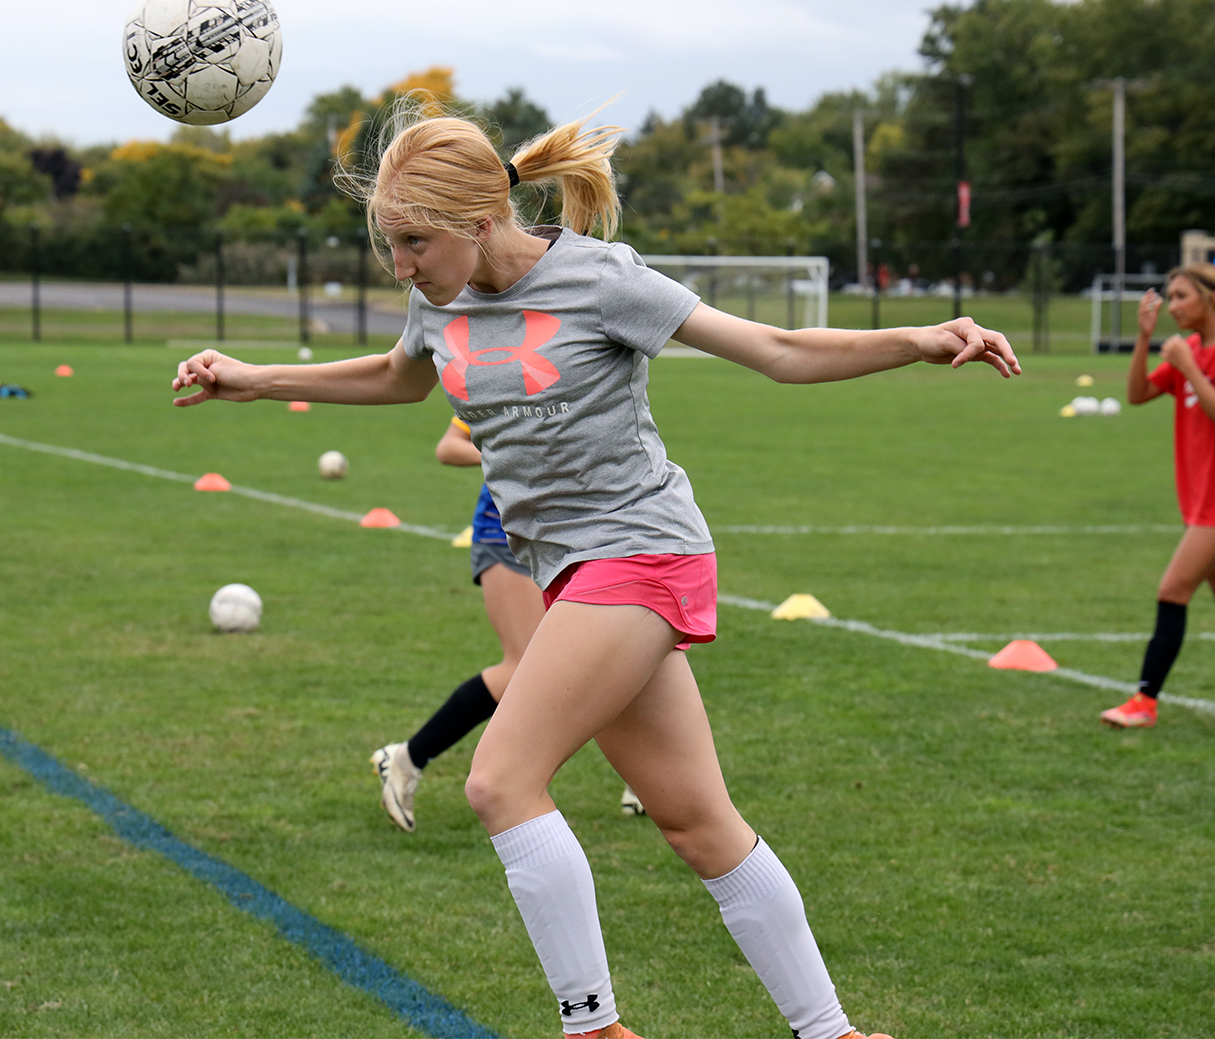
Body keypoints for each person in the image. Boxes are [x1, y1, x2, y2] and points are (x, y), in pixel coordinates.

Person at [173, 110, 1020, 1039]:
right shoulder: (438, 297)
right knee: (697, 823)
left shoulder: (600, 280)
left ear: (478, 220)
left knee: (500, 782)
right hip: (568, 575)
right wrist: (251, 379)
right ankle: (835, 1034)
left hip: (641, 550)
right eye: (390, 245)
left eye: (414, 242)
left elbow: (774, 351)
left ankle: (594, 1029)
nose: (401, 266)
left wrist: (918, 338)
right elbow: (398, 377)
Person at [373, 417, 644, 831]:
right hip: (506, 538)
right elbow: (448, 447)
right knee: (521, 668)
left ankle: (646, 775)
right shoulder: (507, 375)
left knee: (609, 655)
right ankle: (407, 760)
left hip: (578, 539)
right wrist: (513, 457)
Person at [1101, 262, 1215, 728]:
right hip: (1198, 500)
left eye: (1182, 296)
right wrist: (1144, 340)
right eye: (1169, 298)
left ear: (1211, 299)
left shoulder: (1195, 356)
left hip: (1213, 508)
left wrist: (1189, 367)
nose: (1172, 306)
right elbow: (1138, 393)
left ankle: (1144, 702)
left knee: (1172, 590)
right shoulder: (1186, 349)